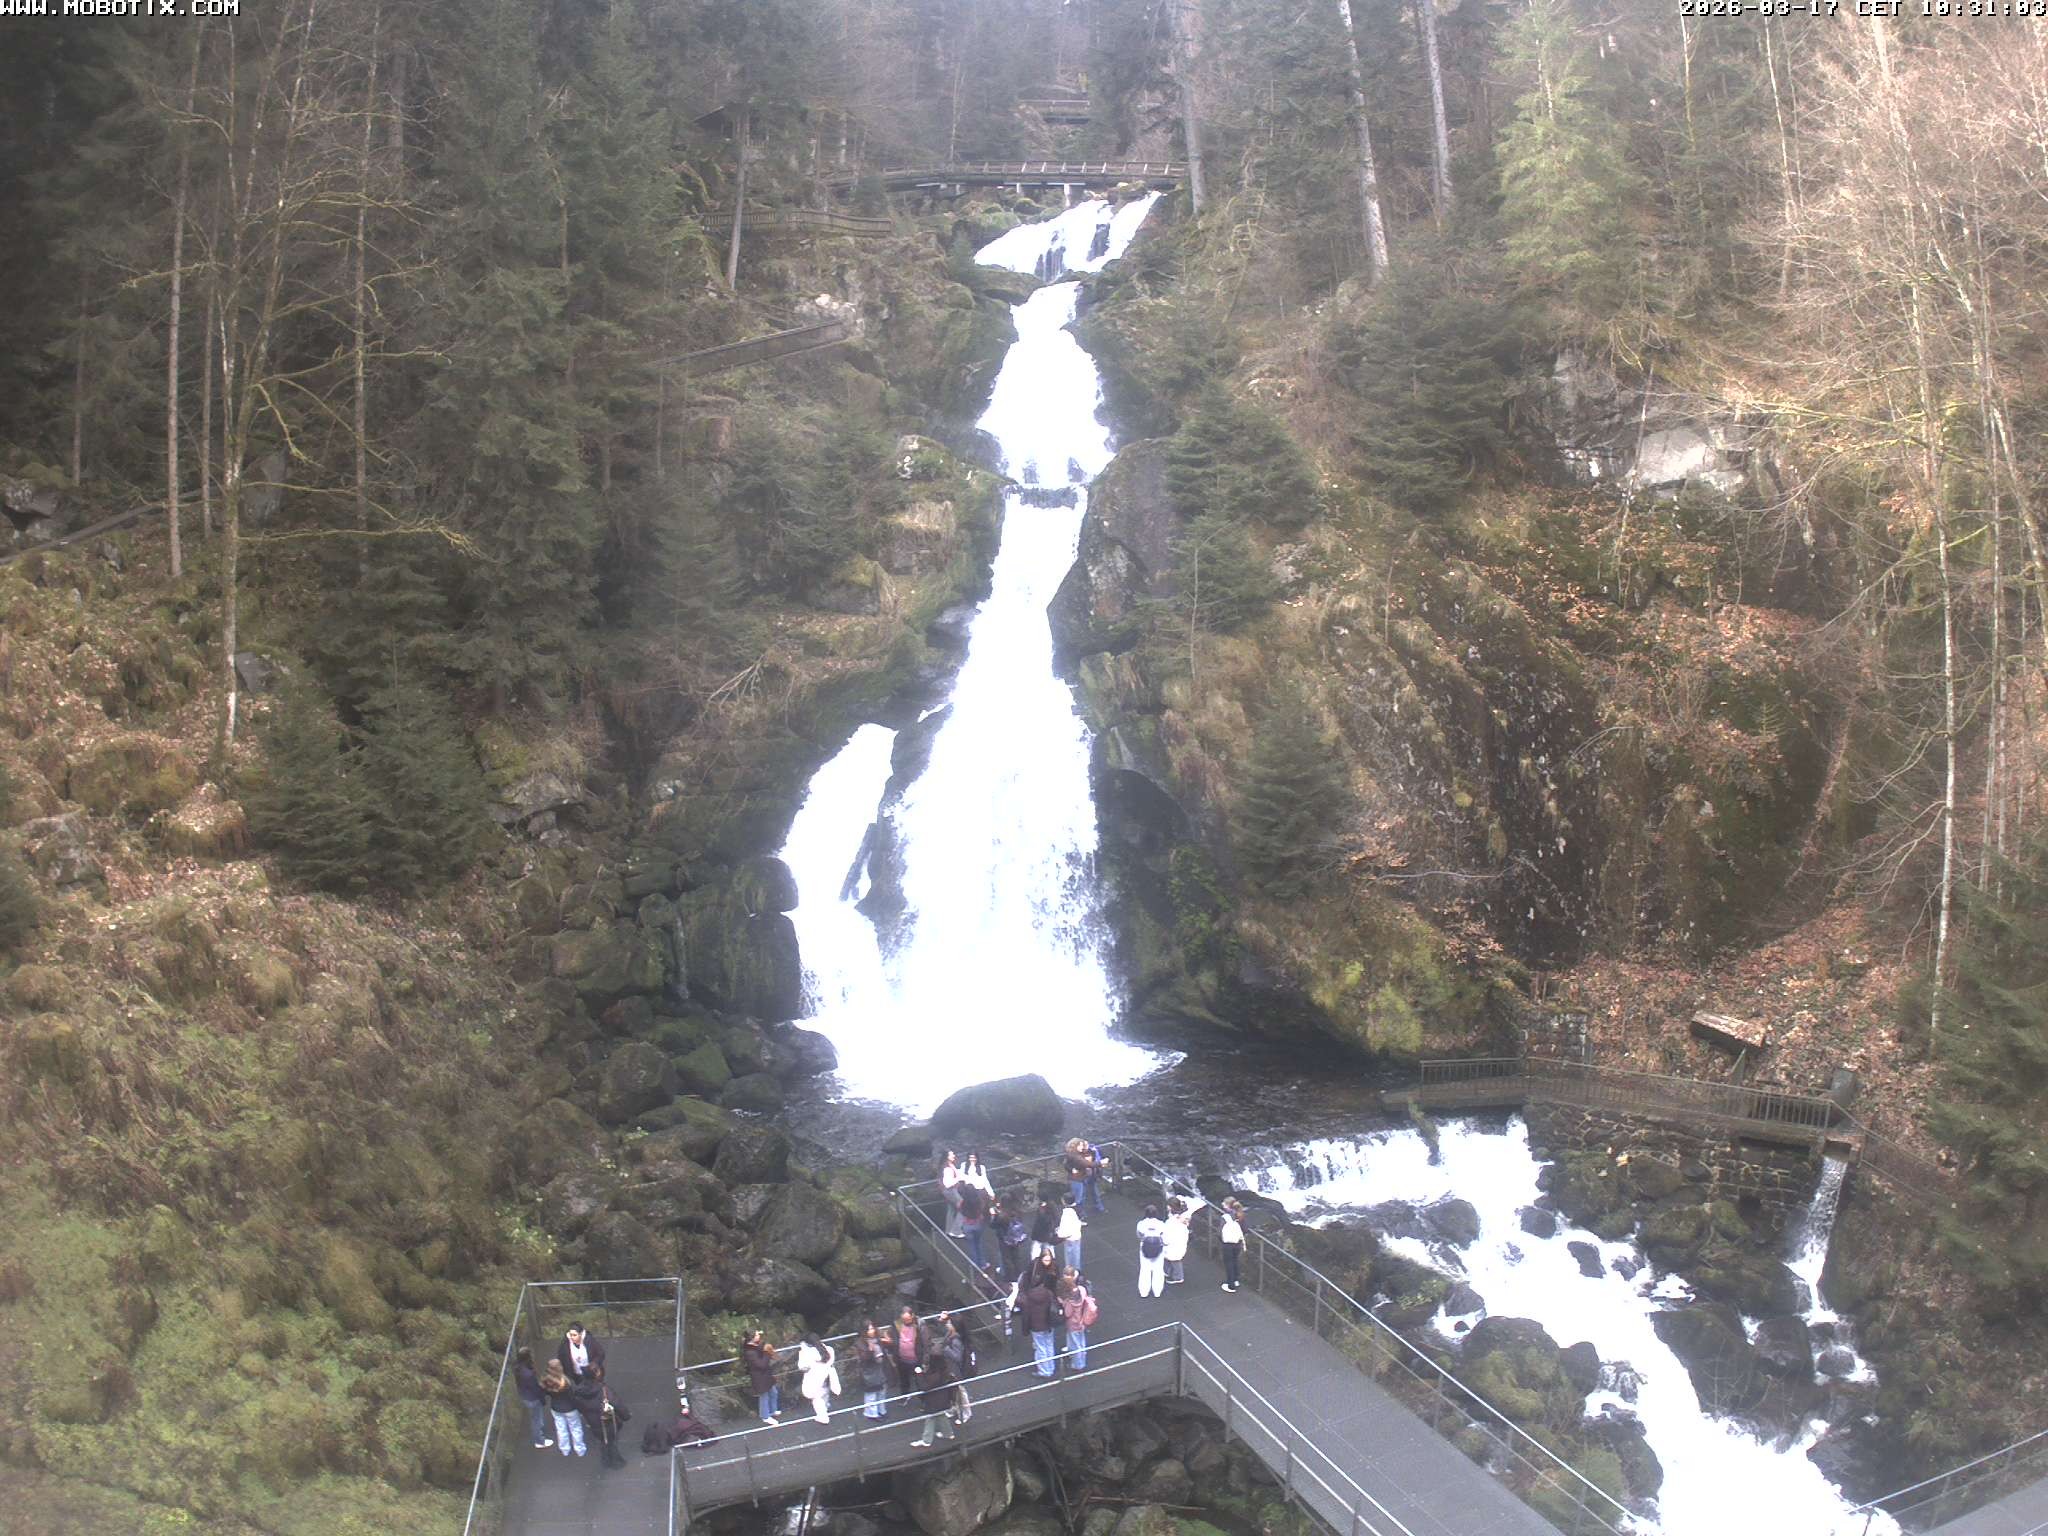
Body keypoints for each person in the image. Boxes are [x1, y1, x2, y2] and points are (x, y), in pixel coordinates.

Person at [914, 1317, 960, 1448]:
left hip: (934, 1400)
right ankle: (948, 1433)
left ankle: (926, 1440)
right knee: (941, 1416)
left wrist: (919, 1374)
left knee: (930, 1418)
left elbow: (924, 1387)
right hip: (943, 1399)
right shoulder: (944, 1371)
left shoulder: (934, 1375)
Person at [572, 1364, 625, 1470]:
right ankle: (615, 1461)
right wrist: (625, 1416)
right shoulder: (604, 1391)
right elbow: (617, 1404)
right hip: (607, 1421)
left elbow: (579, 1406)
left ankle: (605, 1460)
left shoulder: (579, 1391)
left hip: (593, 1422)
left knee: (602, 1441)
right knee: (612, 1441)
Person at [1015, 1262, 1061, 1377]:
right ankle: (1051, 1367)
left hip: (1036, 1326)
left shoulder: (1027, 1297)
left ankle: (1044, 1371)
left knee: (1040, 1348)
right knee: (1049, 1345)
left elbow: (1019, 1304)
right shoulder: (1048, 1292)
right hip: (1048, 1323)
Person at [541, 1361, 585, 1458]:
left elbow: (545, 1392)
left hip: (556, 1408)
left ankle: (565, 1449)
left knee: (561, 1429)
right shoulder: (566, 1382)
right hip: (570, 1409)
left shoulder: (546, 1381)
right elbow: (573, 1397)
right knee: (576, 1428)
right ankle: (580, 1449)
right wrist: (580, 1408)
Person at [515, 1346, 554, 1450]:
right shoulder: (528, 1374)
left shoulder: (518, 1368)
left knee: (535, 1417)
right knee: (536, 1420)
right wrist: (542, 1398)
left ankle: (539, 1433)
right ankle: (539, 1441)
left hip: (525, 1396)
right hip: (532, 1398)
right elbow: (535, 1388)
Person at [1058, 1271, 1097, 1372]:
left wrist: (1063, 1303)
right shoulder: (1082, 1290)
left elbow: (1067, 1313)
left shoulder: (1070, 1300)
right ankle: (1082, 1358)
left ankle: (1078, 1365)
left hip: (1073, 1324)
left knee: (1076, 1344)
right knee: (1081, 1341)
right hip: (1082, 1320)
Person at [855, 1320, 894, 1420]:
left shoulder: (878, 1339)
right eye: (869, 1329)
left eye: (872, 1328)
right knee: (871, 1393)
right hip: (870, 1371)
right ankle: (872, 1413)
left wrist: (888, 1341)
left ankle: (882, 1410)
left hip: (881, 1369)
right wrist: (871, 1350)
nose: (871, 1331)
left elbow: (887, 1350)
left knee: (882, 1392)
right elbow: (864, 1358)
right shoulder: (860, 1342)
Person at [798, 1333, 840, 1425]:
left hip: (814, 1378)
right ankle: (825, 1408)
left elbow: (803, 1367)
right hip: (827, 1375)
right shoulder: (828, 1349)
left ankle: (823, 1417)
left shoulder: (806, 1353)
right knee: (825, 1392)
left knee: (817, 1398)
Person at [743, 1328, 782, 1425]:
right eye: (756, 1335)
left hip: (766, 1375)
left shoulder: (755, 1345)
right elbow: (761, 1365)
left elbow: (762, 1347)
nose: (759, 1336)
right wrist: (767, 1353)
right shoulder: (749, 1352)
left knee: (773, 1392)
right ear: (751, 1338)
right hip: (759, 1377)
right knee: (764, 1397)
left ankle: (773, 1410)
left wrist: (766, 1348)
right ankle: (765, 1416)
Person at [1136, 1203, 1168, 1298]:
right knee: (1158, 1270)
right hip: (1158, 1248)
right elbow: (1164, 1237)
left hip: (1145, 1247)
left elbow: (1139, 1235)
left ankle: (1144, 1292)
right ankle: (1157, 1292)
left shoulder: (1141, 1224)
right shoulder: (1161, 1224)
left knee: (1144, 1269)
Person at [959, 1177, 990, 1269]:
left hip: (967, 1225)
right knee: (978, 1244)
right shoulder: (979, 1201)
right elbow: (982, 1209)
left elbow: (961, 1210)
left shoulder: (963, 1202)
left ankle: (975, 1265)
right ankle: (983, 1264)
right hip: (977, 1224)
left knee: (971, 1246)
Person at [997, 1199, 1031, 1280]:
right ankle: (1018, 1274)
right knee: (1016, 1257)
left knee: (1007, 1258)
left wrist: (995, 1214)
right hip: (1016, 1239)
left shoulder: (1002, 1215)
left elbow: (994, 1225)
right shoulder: (1017, 1212)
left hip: (1006, 1240)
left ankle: (1011, 1277)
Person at [1219, 1198, 1246, 1293]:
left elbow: (1220, 1232)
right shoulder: (1240, 1215)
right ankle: (1236, 1280)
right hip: (1238, 1242)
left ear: (1228, 1206)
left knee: (1229, 1263)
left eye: (1224, 1203)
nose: (1222, 1204)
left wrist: (1222, 1240)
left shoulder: (1225, 1217)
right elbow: (1245, 1229)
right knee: (1235, 1260)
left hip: (1227, 1243)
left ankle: (1231, 1286)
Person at [1163, 1198, 1191, 1286]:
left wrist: (1163, 1241)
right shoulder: (1183, 1218)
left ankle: (1178, 1277)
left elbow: (1167, 1235)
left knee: (1175, 1261)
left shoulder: (1171, 1222)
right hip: (1180, 1242)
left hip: (1173, 1244)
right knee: (1170, 1259)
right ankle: (1166, 1271)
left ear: (1170, 1207)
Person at [1063, 1138, 1093, 1213]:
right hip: (1076, 1179)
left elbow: (1066, 1164)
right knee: (1077, 1199)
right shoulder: (1074, 1156)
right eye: (1081, 1145)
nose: (1083, 1147)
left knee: (1082, 1196)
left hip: (1082, 1177)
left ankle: (1081, 1213)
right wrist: (1101, 1163)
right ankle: (1079, 1214)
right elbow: (1087, 1164)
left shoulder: (1076, 1154)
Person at [1057, 1193, 1084, 1273]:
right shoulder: (1077, 1208)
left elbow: (1064, 1227)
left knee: (1070, 1255)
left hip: (1069, 1238)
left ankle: (1070, 1272)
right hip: (1077, 1235)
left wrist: (1059, 1234)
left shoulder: (1067, 1213)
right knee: (1076, 1253)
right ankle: (1077, 1270)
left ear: (1065, 1202)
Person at [940, 1149, 964, 1237]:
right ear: (947, 1157)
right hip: (950, 1190)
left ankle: (949, 1230)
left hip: (948, 1191)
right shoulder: (947, 1168)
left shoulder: (950, 1165)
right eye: (951, 1155)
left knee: (951, 1209)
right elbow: (948, 1183)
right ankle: (956, 1231)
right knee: (963, 1207)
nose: (954, 1155)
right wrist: (958, 1178)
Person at [1030, 1198, 1058, 1263]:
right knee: (1049, 1248)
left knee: (1036, 1249)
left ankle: (1034, 1263)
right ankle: (1052, 1262)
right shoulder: (1052, 1206)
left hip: (1039, 1233)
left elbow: (1041, 1220)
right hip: (1049, 1233)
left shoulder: (1041, 1210)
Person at [1083, 1140, 1108, 1213]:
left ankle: (1099, 1207)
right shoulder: (1077, 1154)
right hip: (1082, 1176)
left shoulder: (1094, 1150)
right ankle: (1082, 1212)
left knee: (1095, 1191)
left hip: (1092, 1174)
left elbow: (1099, 1159)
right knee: (1082, 1194)